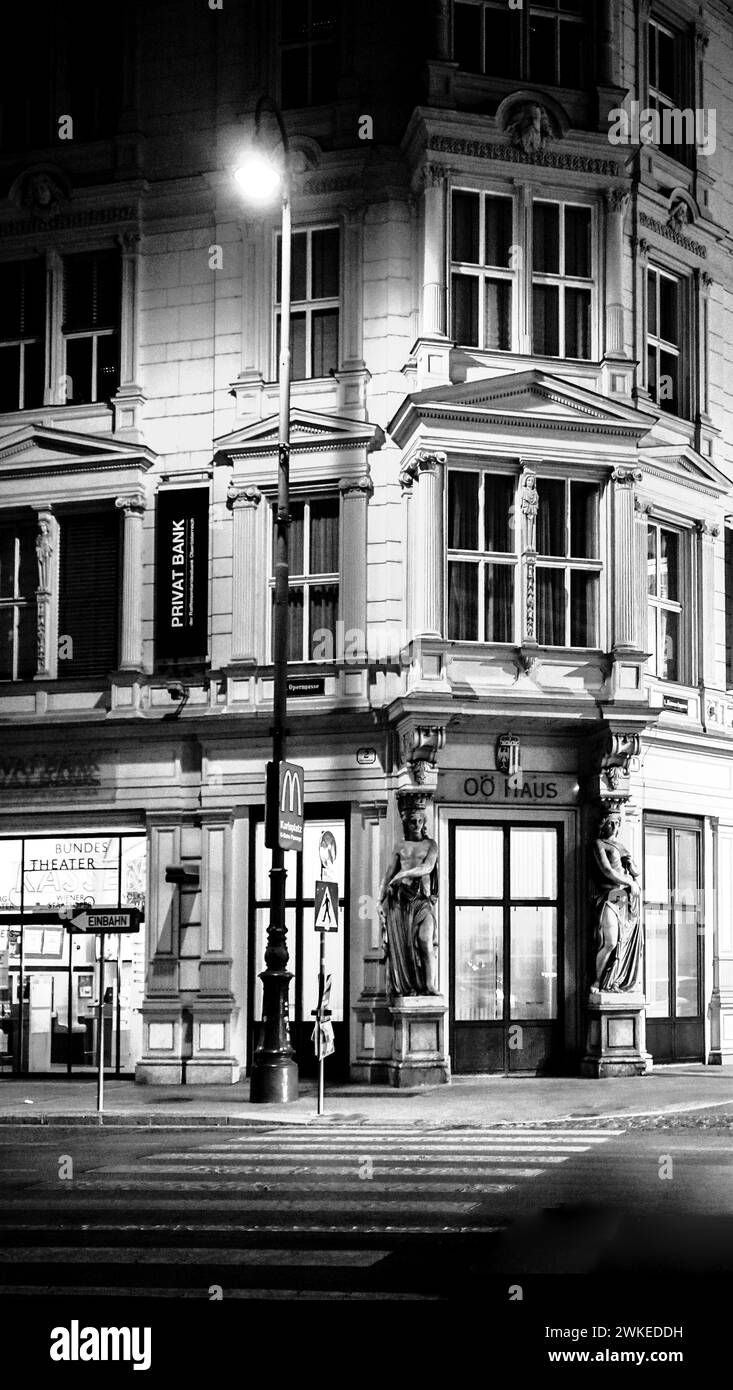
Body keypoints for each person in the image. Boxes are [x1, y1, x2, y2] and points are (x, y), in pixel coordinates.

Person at [378, 793, 439, 996]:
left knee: (424, 940)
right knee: (405, 949)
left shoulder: (431, 845)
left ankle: (430, 985)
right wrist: (379, 901)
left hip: (422, 901)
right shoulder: (400, 847)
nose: (417, 825)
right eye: (412, 821)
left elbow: (427, 867)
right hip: (401, 903)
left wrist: (403, 874)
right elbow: (387, 874)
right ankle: (411, 987)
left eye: (420, 821)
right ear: (406, 823)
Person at [590, 812, 642, 993]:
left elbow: (636, 872)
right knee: (611, 942)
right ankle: (598, 981)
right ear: (603, 824)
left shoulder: (621, 846)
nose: (614, 827)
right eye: (610, 823)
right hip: (610, 895)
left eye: (617, 823)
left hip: (625, 898)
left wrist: (631, 865)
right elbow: (606, 870)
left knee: (623, 943)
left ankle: (615, 982)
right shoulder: (599, 844)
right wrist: (630, 882)